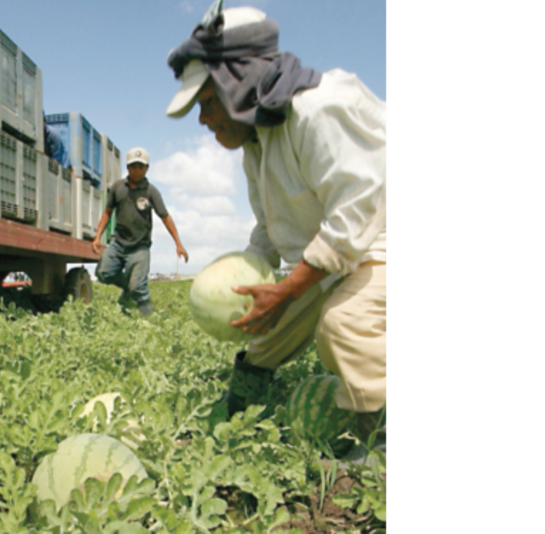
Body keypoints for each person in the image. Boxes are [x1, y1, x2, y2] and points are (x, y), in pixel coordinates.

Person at [165, 2, 388, 457]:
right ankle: (238, 415)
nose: (203, 120)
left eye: (206, 102)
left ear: (239, 83)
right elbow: (270, 227)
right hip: (341, 253)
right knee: (267, 334)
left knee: (344, 323)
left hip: (375, 241)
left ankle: (380, 441)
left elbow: (356, 212)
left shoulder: (319, 108)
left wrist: (287, 290)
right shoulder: (259, 142)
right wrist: (246, 281)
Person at [91, 148, 189, 317]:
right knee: (103, 273)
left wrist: (178, 244)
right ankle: (128, 288)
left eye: (140, 166)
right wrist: (97, 236)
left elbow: (165, 217)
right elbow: (107, 212)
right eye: (133, 166)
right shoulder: (118, 187)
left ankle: (148, 318)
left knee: (138, 286)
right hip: (118, 243)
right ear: (127, 167)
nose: (136, 170)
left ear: (147, 168)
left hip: (139, 247)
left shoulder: (151, 191)